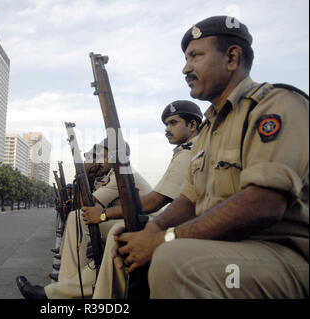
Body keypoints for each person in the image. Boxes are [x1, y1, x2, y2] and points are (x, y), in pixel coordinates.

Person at [115, 16, 309, 298]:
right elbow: (189, 200)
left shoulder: (274, 105)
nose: (186, 68)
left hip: (283, 256)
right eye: (185, 58)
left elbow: (264, 203)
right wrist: (151, 231)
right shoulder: (208, 130)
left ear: (232, 57)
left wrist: (165, 238)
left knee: (175, 260)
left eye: (195, 56)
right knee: (125, 240)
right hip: (225, 248)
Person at [89, 100, 203, 298]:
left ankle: (78, 291)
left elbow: (154, 202)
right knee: (114, 232)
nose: (167, 129)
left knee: (115, 231)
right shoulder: (183, 152)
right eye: (166, 124)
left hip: (182, 225)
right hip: (171, 221)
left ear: (192, 125)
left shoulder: (188, 154)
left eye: (173, 123)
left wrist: (102, 216)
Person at [16, 139, 152, 299]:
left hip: (144, 224)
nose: (101, 161)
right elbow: (87, 206)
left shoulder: (121, 173)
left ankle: (61, 291)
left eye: (104, 156)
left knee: (79, 218)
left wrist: (84, 174)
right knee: (77, 218)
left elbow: (88, 205)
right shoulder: (115, 173)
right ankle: (65, 286)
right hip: (129, 219)